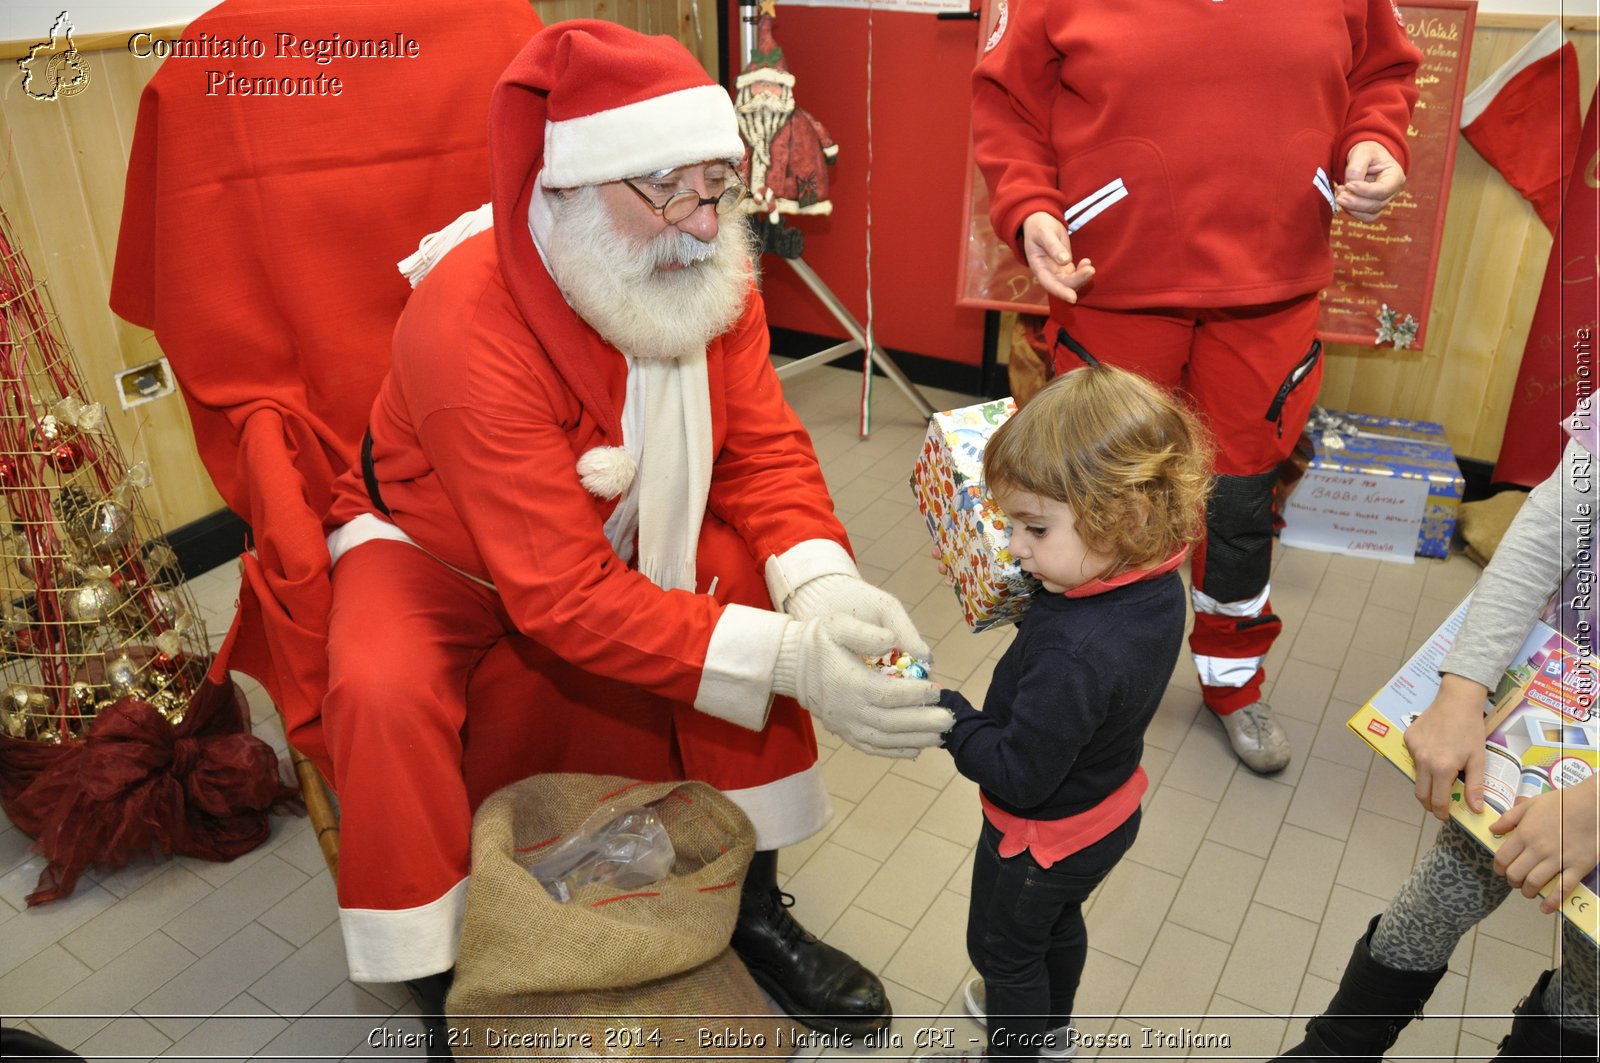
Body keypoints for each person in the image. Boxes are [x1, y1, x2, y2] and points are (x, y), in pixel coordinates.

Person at [319, 19, 953, 1044]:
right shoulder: (464, 322)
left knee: (746, 573)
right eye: (669, 189)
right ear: (567, 187)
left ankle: (752, 909)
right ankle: (442, 971)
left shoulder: (701, 259)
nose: (706, 224)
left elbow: (757, 451)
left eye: (719, 183)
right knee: (378, 685)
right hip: (438, 555)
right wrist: (794, 663)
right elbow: (557, 596)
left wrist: (822, 590)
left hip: (618, 522)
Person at [970, 0, 1422, 774]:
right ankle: (1068, 676)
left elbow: (1382, 68)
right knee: (1094, 496)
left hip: (1271, 277)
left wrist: (1377, 138)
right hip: (1111, 275)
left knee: (1240, 501)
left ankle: (1233, 680)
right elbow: (1007, 101)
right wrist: (1029, 206)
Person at [917, 366, 1212, 1061]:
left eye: (1034, 527)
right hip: (1105, 812)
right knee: (1055, 927)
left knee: (1003, 948)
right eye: (1012, 524)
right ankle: (1051, 1035)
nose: (1016, 547)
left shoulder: (1074, 655)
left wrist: (952, 717)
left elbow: (1019, 774)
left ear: (1126, 515)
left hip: (1036, 838)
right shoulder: (1152, 576)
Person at [1275, 429, 1599, 1061]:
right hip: (1559, 708)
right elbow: (1548, 533)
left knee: (1592, 981)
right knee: (1439, 894)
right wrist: (1462, 689)